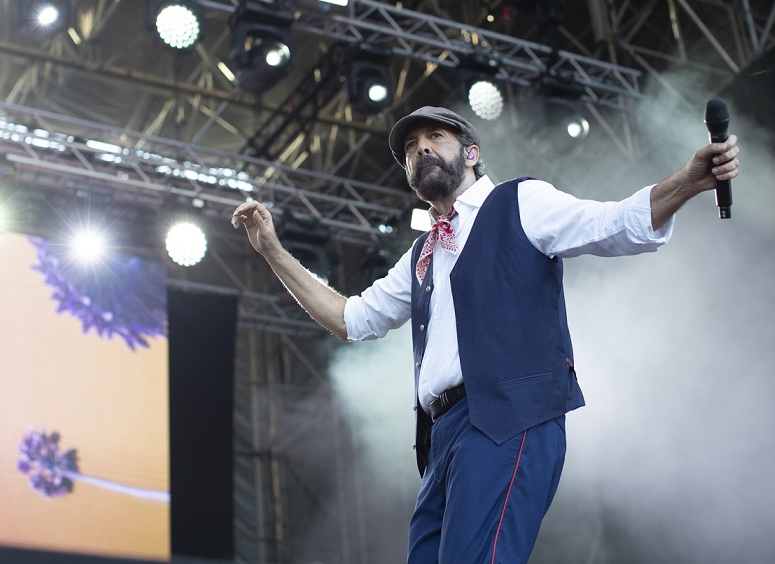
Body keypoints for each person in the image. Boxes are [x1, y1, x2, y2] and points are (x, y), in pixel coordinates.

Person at [231, 106, 740, 563]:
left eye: (435, 137)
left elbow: (610, 223)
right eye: (410, 148)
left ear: (471, 153)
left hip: (507, 415)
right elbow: (350, 318)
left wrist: (688, 182)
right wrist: (272, 252)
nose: (421, 149)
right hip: (442, 439)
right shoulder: (420, 256)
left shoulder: (518, 201)